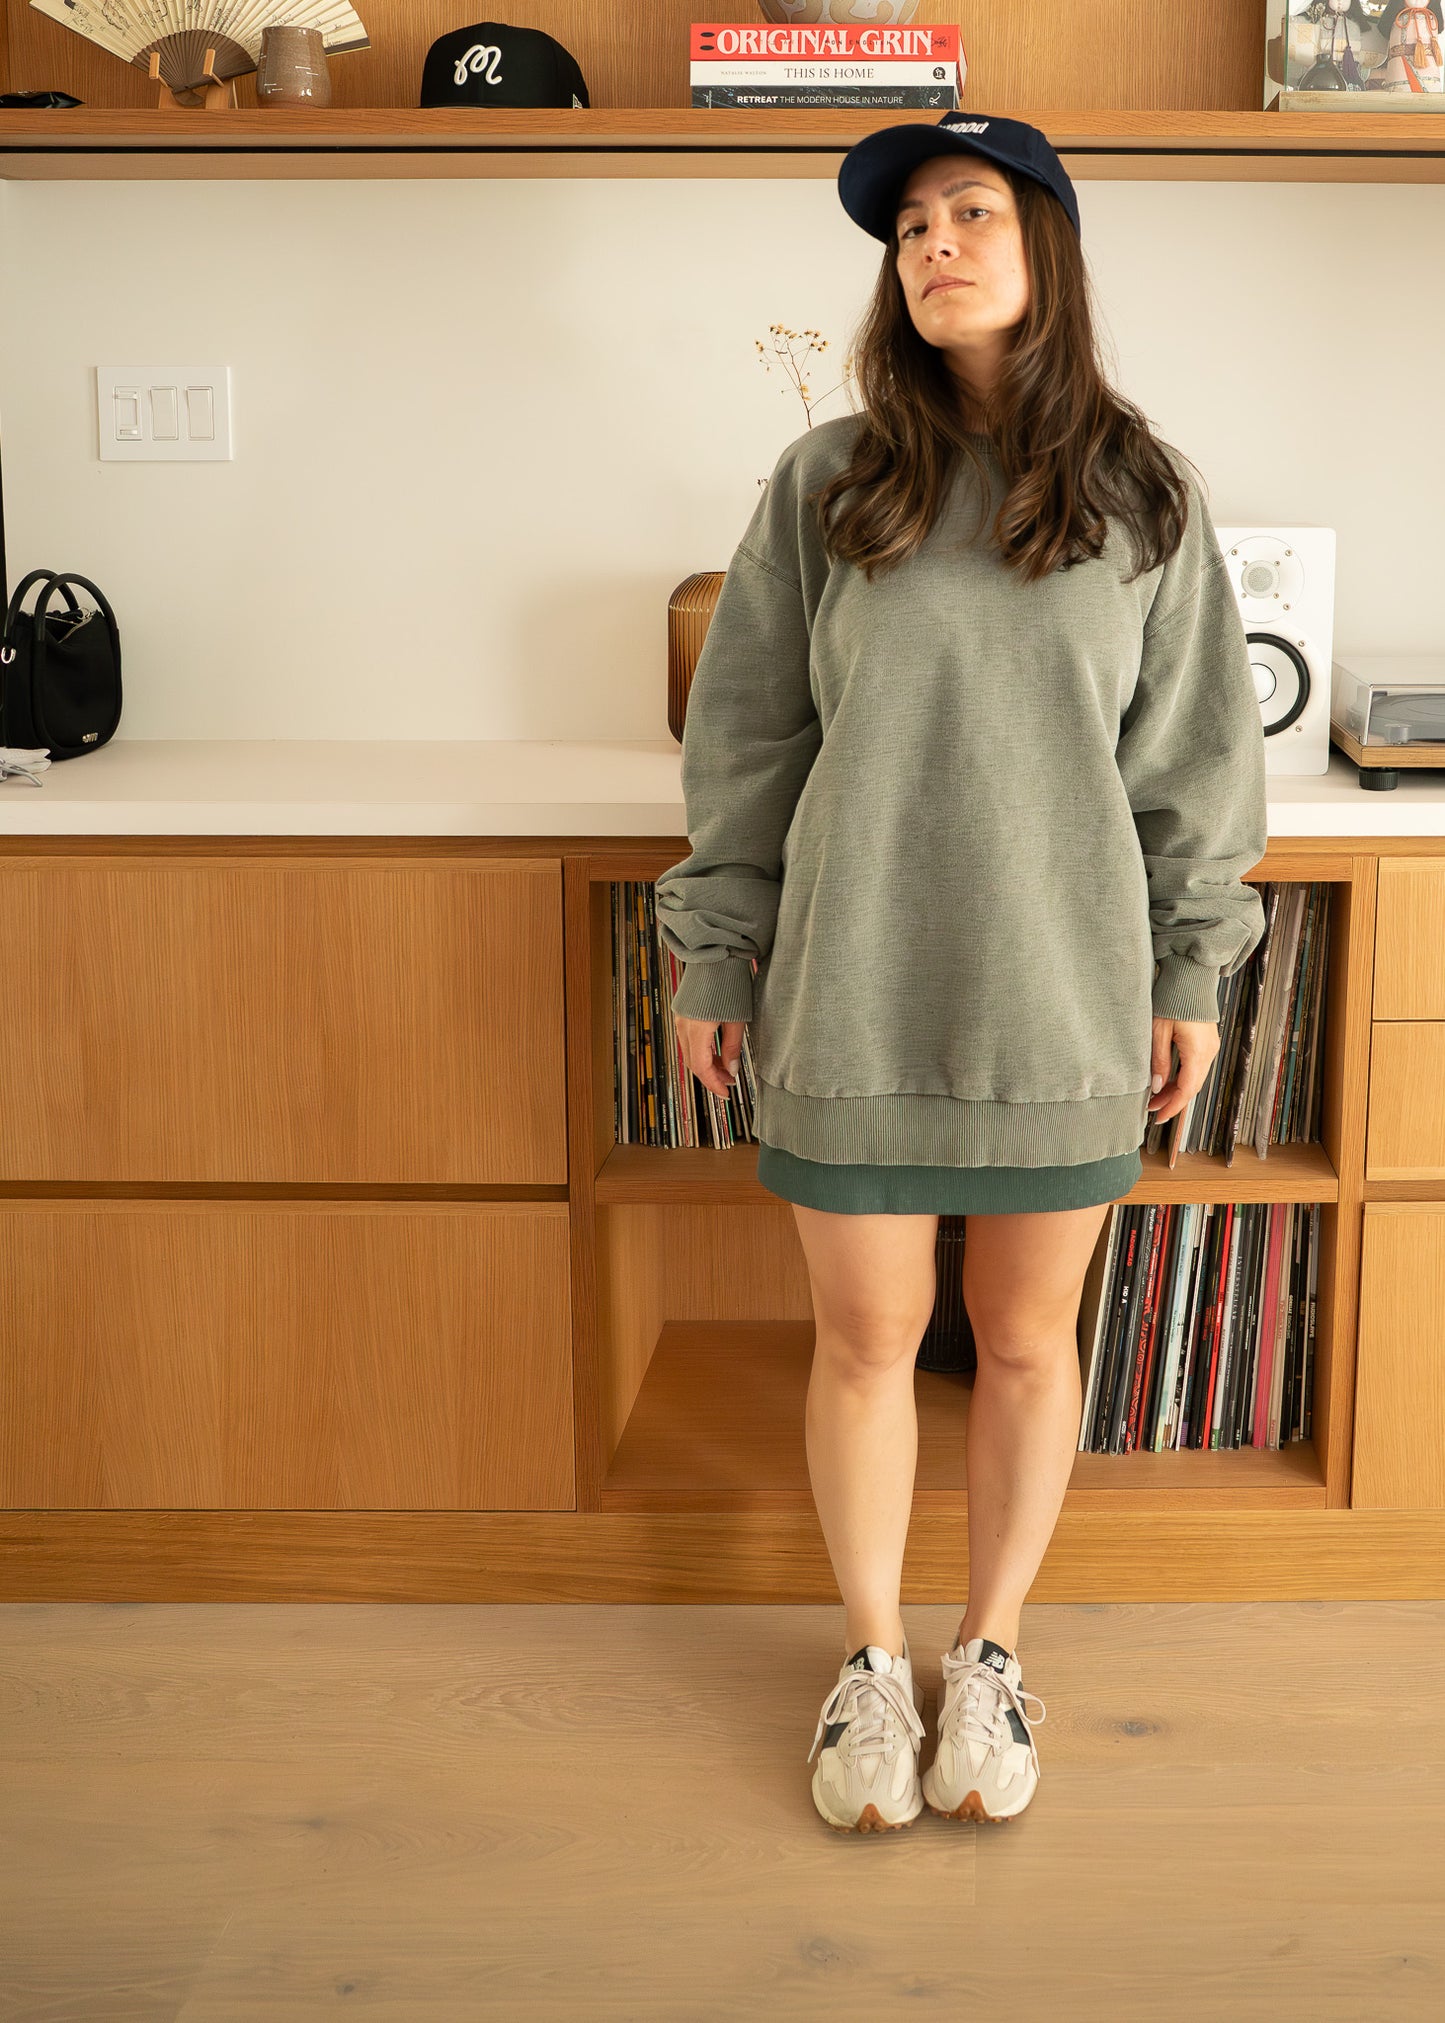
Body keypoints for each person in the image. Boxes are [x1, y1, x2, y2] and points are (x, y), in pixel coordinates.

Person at [653, 110, 1268, 1834]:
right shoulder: (827, 480)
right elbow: (748, 742)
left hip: (1061, 985)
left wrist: (1191, 969)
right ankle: (867, 1665)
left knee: (1019, 1340)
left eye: (969, 211)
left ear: (1045, 244)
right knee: (863, 1340)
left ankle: (987, 1653)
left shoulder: (1143, 495)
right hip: (851, 979)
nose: (931, 244)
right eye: (908, 224)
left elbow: (1196, 768)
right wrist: (716, 955)